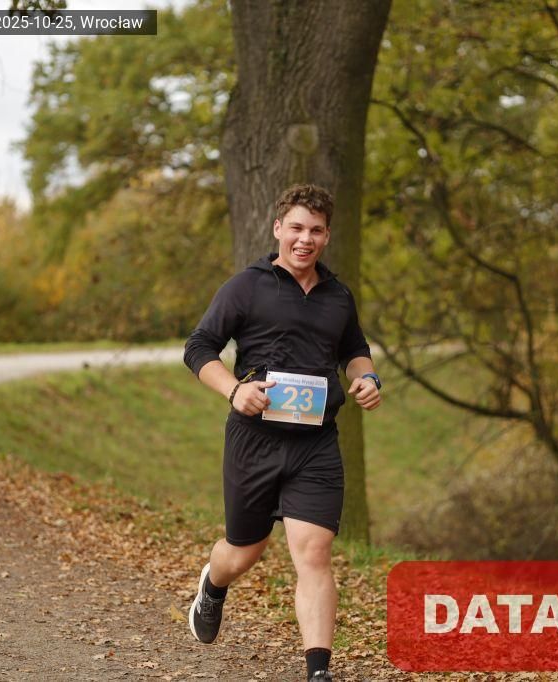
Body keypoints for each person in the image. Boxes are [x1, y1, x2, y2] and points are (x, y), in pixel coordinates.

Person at [182, 183, 382, 682]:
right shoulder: (246, 287)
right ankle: (213, 585)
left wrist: (367, 377)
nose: (304, 239)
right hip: (255, 440)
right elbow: (199, 347)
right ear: (278, 229)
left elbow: (354, 350)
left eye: (315, 230)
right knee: (243, 552)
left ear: (327, 235)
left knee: (313, 553)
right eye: (296, 228)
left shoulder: (338, 296)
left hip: (316, 444)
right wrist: (234, 391)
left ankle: (318, 671)